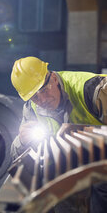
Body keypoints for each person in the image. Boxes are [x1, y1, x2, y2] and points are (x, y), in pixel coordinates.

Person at [10, 56, 107, 213]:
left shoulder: (93, 89)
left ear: (53, 78)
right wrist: (21, 141)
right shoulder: (31, 109)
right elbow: (16, 157)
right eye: (35, 96)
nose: (42, 100)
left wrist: (87, 131)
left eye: (43, 89)